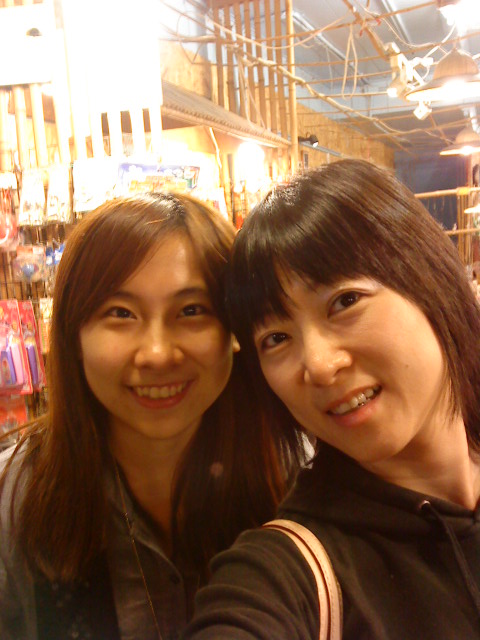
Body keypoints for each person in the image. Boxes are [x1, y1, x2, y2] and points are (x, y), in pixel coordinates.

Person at [183, 159, 480, 640]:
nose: (319, 366)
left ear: (430, 278)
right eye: (276, 339)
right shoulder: (288, 574)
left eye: (344, 302)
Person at [0, 192, 300, 640]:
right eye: (120, 314)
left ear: (234, 328)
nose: (157, 354)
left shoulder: (297, 474)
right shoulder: (16, 499)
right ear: (73, 335)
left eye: (192, 311)